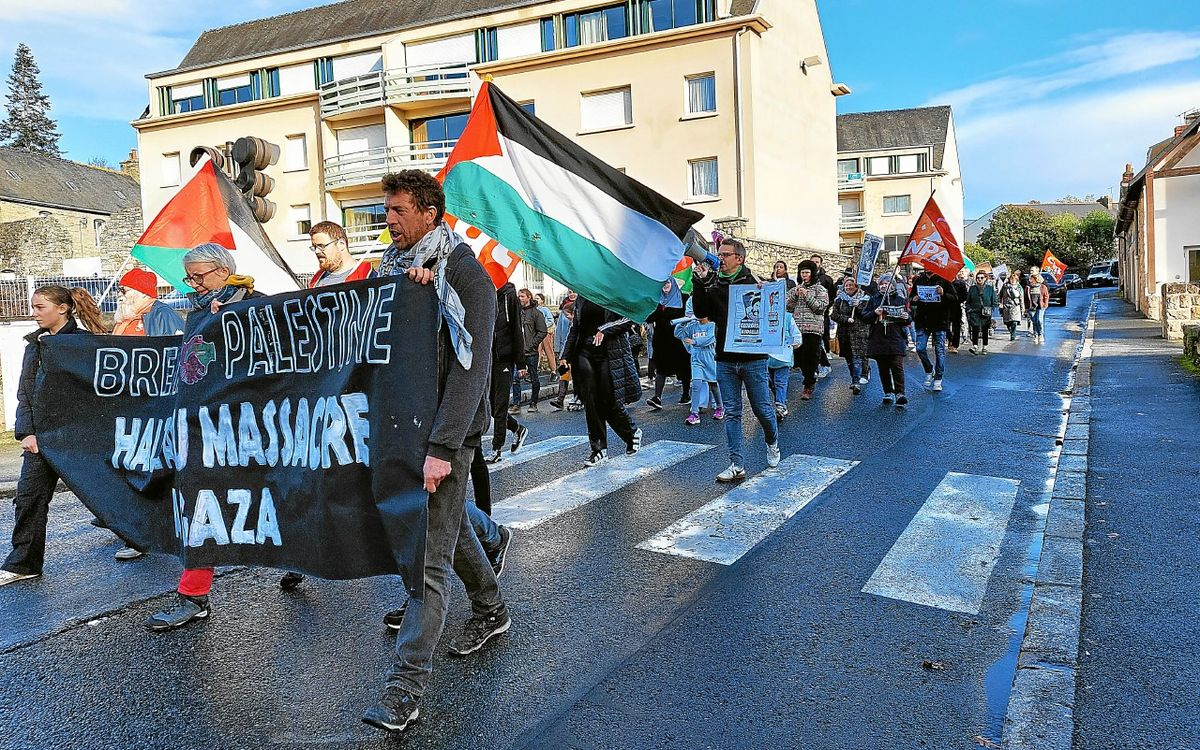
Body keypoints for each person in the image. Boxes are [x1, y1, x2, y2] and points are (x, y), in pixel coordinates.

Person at [363, 170, 509, 733]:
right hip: (403, 429)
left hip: (447, 436)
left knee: (430, 560)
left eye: (398, 210)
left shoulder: (464, 272)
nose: (389, 220)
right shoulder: (395, 271)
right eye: (387, 210)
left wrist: (445, 446)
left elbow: (471, 369)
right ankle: (492, 609)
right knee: (452, 530)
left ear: (429, 210)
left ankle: (404, 688)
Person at [144, 244, 307, 630]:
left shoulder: (261, 304)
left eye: (200, 276)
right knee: (204, 502)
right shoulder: (197, 312)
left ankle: (301, 558)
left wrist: (238, 324)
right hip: (211, 427)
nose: (194, 284)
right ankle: (194, 595)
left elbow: (290, 356)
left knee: (275, 496)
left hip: (260, 424)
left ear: (224, 270)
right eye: (190, 277)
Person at [0, 286, 108, 586]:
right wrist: (27, 432)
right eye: (33, 307)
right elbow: (26, 392)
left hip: (78, 438)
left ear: (62, 308)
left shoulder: (83, 344)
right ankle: (24, 563)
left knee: (108, 492)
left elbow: (98, 389)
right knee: (29, 498)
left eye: (40, 307)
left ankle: (139, 539)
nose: (34, 313)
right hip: (41, 439)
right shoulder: (33, 345)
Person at [110, 267, 185, 560]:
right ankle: (132, 525)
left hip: (153, 407)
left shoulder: (162, 315)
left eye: (126, 290)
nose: (121, 295)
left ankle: (143, 534)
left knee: (150, 468)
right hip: (128, 406)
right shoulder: (125, 319)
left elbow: (175, 357)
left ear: (143, 293)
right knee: (130, 466)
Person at [692, 238, 780, 482]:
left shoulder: (754, 283)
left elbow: (760, 310)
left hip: (753, 359)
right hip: (725, 358)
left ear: (739, 259)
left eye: (725, 254)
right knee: (732, 412)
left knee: (762, 409)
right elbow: (702, 313)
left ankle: (772, 441)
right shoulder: (714, 281)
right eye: (719, 254)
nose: (720, 258)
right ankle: (736, 464)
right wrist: (699, 284)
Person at [561, 296, 643, 467]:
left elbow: (629, 319)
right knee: (591, 401)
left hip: (609, 353)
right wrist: (565, 355)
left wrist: (604, 330)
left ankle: (631, 432)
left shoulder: (611, 290)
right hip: (584, 352)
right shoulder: (582, 298)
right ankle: (598, 449)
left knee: (608, 400)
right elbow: (575, 329)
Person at [486, 281, 527, 463]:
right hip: (489, 358)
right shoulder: (486, 293)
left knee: (500, 404)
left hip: (505, 357)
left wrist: (521, 363)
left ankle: (496, 448)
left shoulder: (509, 296)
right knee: (492, 406)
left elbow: (517, 329)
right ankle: (518, 429)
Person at [860, 274, 911, 406]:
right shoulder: (873, 300)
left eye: (887, 284)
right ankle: (888, 392)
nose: (884, 286)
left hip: (896, 337)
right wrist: (874, 313)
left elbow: (908, 319)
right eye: (882, 284)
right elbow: (864, 317)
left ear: (893, 286)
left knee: (897, 365)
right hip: (879, 338)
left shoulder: (900, 300)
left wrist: (907, 317)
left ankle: (900, 393)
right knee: (883, 367)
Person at [909, 266, 958, 392]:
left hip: (939, 321)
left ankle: (938, 378)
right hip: (923, 321)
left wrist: (944, 294)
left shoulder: (944, 280)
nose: (927, 268)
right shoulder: (919, 280)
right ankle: (929, 370)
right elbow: (911, 298)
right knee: (920, 348)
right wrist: (914, 300)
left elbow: (954, 299)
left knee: (939, 350)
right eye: (925, 265)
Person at [788, 259, 830, 401]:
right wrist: (795, 295)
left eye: (807, 272)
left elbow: (820, 307)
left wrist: (807, 295)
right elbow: (787, 307)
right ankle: (809, 375)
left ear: (812, 274)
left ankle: (808, 384)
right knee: (799, 358)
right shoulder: (794, 289)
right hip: (797, 328)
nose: (804, 275)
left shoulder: (820, 289)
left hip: (813, 329)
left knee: (810, 357)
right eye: (802, 272)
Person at [674, 306, 724, 425]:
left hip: (710, 358)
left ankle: (720, 407)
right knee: (696, 384)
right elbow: (678, 333)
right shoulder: (693, 326)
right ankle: (694, 413)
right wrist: (682, 323)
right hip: (696, 358)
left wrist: (695, 342)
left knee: (713, 384)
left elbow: (710, 339)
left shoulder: (712, 325)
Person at [646, 279, 690, 410]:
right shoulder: (657, 300)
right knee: (661, 368)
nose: (665, 286)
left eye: (668, 283)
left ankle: (686, 394)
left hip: (678, 339)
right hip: (661, 340)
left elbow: (688, 315)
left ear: (673, 284)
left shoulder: (683, 297)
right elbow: (649, 318)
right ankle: (657, 397)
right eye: (663, 283)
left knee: (683, 367)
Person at [113, 267, 184, 337]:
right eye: (118, 290)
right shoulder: (126, 316)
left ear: (143, 293)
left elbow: (175, 345)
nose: (119, 294)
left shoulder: (163, 315)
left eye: (123, 290)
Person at [830, 277, 872, 395]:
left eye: (851, 285)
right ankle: (855, 376)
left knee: (858, 356)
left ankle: (856, 381)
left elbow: (867, 315)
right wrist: (846, 319)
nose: (848, 288)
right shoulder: (840, 300)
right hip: (845, 333)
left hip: (860, 332)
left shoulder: (864, 299)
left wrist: (858, 306)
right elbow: (834, 315)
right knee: (849, 357)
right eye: (846, 285)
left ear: (856, 286)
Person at [307, 221, 376, 287]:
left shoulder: (368, 275)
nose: (317, 251)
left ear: (341, 244)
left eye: (321, 246)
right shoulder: (315, 281)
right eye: (314, 247)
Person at [512, 288, 547, 412]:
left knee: (533, 377)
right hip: (518, 352)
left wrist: (531, 345)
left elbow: (542, 331)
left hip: (530, 352)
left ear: (529, 297)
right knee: (515, 378)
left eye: (522, 296)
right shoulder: (517, 312)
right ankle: (516, 404)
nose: (520, 298)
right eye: (519, 296)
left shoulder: (536, 313)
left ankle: (533, 403)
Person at [806, 254, 837, 378]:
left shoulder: (826, 279)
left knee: (818, 339)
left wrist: (826, 308)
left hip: (820, 313)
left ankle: (824, 363)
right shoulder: (805, 278)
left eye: (817, 262)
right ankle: (813, 367)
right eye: (812, 261)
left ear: (821, 263)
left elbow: (831, 296)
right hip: (807, 314)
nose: (814, 264)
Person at [768, 313, 802, 418]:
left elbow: (796, 336)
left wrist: (792, 342)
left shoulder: (787, 318)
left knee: (780, 382)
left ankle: (780, 406)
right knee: (771, 383)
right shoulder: (764, 316)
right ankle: (780, 401)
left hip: (783, 358)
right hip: (767, 358)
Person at [965, 269, 997, 355]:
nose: (979, 279)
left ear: (985, 278)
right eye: (978, 278)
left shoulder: (990, 289)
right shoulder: (972, 288)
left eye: (981, 277)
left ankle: (984, 346)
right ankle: (975, 346)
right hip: (974, 312)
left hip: (986, 313)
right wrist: (969, 309)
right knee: (975, 328)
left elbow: (994, 301)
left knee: (985, 329)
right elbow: (968, 301)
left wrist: (991, 309)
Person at [998, 271, 1025, 341]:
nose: (1013, 281)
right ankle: (1011, 331)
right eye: (1011, 279)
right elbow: (1000, 295)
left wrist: (1023, 308)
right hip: (1006, 307)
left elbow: (1021, 298)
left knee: (1014, 322)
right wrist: (1000, 303)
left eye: (1014, 279)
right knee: (1007, 322)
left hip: (1015, 306)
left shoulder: (1019, 288)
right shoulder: (1005, 286)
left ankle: (1013, 334)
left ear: (1017, 280)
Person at [534, 293, 557, 374]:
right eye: (535, 298)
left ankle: (553, 370)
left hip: (546, 333)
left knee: (548, 350)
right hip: (537, 333)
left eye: (537, 298)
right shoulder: (534, 309)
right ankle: (535, 369)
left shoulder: (545, 309)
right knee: (537, 351)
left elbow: (550, 320)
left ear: (542, 300)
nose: (535, 300)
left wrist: (542, 327)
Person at [1026, 267, 1050, 343]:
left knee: (1039, 320)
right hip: (1031, 306)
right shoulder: (1028, 283)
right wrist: (1025, 307)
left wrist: (1045, 304)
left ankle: (1040, 334)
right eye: (1030, 270)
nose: (1031, 272)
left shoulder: (1042, 282)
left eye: (1032, 270)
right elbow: (1025, 295)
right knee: (1034, 321)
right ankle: (1035, 334)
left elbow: (1046, 293)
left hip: (1040, 306)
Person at [950, 268, 970, 353]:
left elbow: (965, 296)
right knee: (946, 327)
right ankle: (949, 340)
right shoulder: (942, 282)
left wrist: (956, 299)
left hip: (956, 307)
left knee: (956, 327)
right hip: (944, 308)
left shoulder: (961, 283)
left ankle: (954, 345)